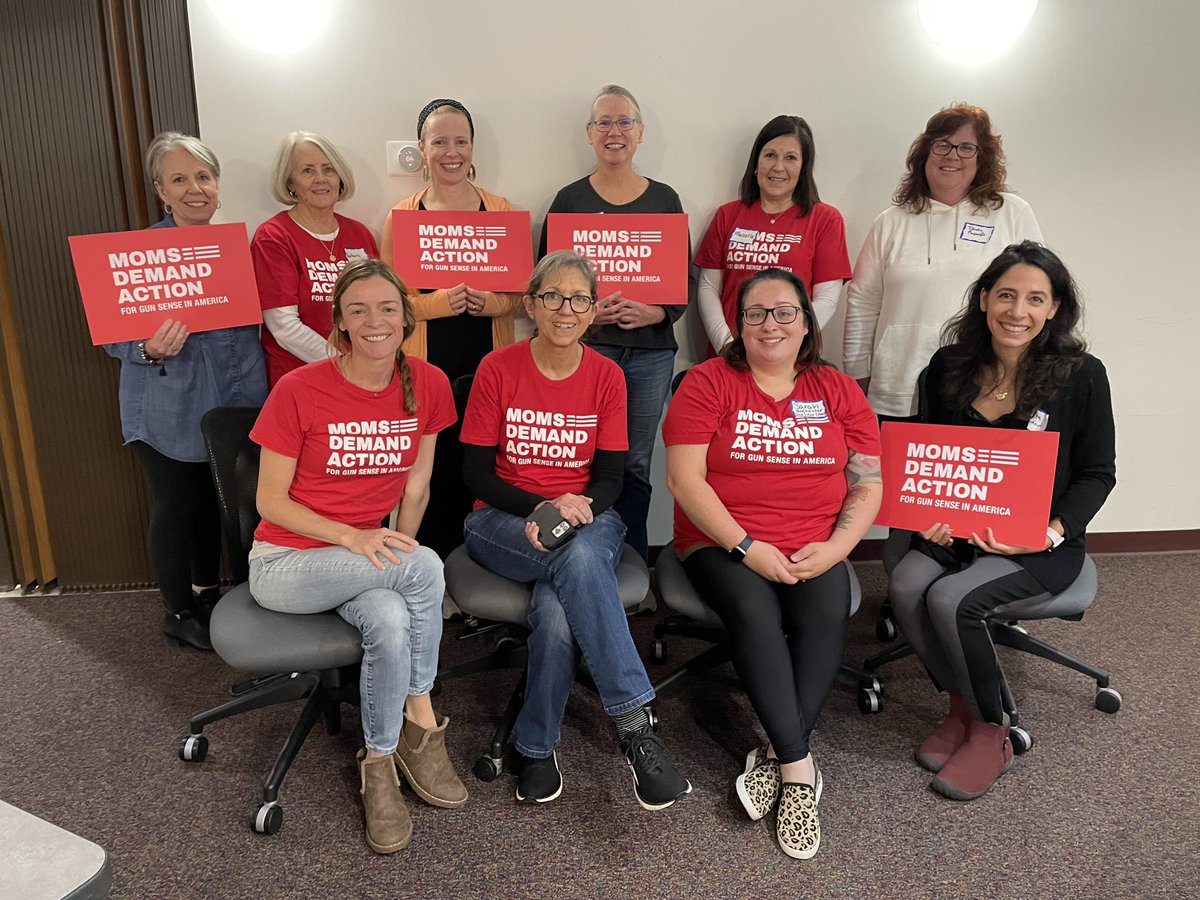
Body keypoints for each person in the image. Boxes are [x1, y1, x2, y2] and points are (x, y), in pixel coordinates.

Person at [459, 250, 691, 810]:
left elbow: (612, 477)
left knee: (561, 607)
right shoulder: (498, 369)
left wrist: (573, 509)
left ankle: (535, 747)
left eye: (580, 299)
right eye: (553, 296)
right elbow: (474, 472)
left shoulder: (607, 376)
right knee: (580, 564)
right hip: (500, 521)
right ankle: (637, 727)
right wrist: (544, 507)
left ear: (593, 312)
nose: (566, 309)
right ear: (533, 305)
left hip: (589, 516)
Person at [248, 258, 467, 854]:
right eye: (358, 310)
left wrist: (395, 545)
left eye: (388, 308)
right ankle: (422, 719)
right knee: (422, 568)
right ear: (340, 324)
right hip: (287, 564)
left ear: (407, 317)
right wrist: (357, 539)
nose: (375, 321)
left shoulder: (429, 383)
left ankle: (378, 763)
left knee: (395, 616)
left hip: (364, 559)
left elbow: (416, 487)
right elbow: (269, 499)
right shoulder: (299, 389)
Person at [664, 267, 881, 860]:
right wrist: (746, 546)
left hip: (816, 541)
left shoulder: (837, 390)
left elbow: (868, 480)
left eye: (785, 311)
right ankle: (798, 770)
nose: (770, 324)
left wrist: (837, 549)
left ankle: (777, 753)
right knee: (754, 613)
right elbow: (685, 481)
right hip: (722, 541)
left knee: (826, 611)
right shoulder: (708, 384)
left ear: (807, 322)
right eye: (755, 313)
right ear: (737, 325)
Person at [888, 241, 1115, 801]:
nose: (1018, 311)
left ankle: (994, 731)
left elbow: (1098, 472)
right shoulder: (948, 366)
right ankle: (962, 708)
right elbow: (931, 456)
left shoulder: (1082, 376)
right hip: (956, 530)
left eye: (1035, 299)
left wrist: (1050, 531)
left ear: (1055, 308)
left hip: (1039, 541)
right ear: (985, 298)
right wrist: (926, 516)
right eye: (1007, 295)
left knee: (952, 600)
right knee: (905, 582)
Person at [104, 131, 267, 652]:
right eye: (180, 179)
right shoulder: (139, 255)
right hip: (166, 405)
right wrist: (147, 348)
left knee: (220, 502)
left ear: (217, 187)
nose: (195, 188)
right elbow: (113, 335)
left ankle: (207, 593)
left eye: (204, 177)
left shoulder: (239, 249)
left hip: (236, 397)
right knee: (179, 504)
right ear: (161, 191)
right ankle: (177, 610)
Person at [536, 84, 692, 561]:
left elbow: (684, 277)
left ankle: (633, 562)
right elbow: (544, 282)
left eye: (624, 122)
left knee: (636, 463)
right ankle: (583, 555)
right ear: (590, 134)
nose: (614, 132)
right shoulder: (568, 200)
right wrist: (583, 315)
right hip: (588, 351)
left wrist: (658, 312)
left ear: (640, 133)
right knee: (581, 460)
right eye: (604, 122)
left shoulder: (665, 199)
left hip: (649, 354)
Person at [379, 98, 524, 558]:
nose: (451, 151)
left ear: (473, 148)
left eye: (460, 141)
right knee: (431, 467)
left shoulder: (501, 212)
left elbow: (523, 297)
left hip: (488, 362)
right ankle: (431, 564)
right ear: (422, 149)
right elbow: (387, 305)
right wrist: (439, 303)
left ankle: (481, 562)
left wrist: (491, 303)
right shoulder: (403, 217)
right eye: (439, 141)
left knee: (482, 463)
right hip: (426, 364)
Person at [843, 103, 1044, 418]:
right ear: (925, 153)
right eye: (943, 145)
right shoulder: (889, 222)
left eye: (966, 148)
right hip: (897, 389)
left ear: (982, 158)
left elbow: (1038, 297)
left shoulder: (1012, 213)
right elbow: (863, 303)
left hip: (985, 391)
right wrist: (856, 376)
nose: (952, 156)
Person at [696, 115, 850, 354]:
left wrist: (787, 346)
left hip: (791, 358)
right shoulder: (728, 215)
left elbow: (827, 298)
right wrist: (727, 346)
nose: (778, 167)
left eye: (790, 158)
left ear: (803, 167)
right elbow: (708, 288)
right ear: (756, 161)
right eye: (770, 155)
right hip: (728, 355)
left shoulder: (825, 220)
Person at [251, 131, 378, 387]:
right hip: (301, 381)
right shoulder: (274, 237)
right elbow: (284, 327)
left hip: (359, 376)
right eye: (307, 171)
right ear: (290, 182)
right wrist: (346, 365)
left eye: (329, 169)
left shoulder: (359, 234)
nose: (321, 179)